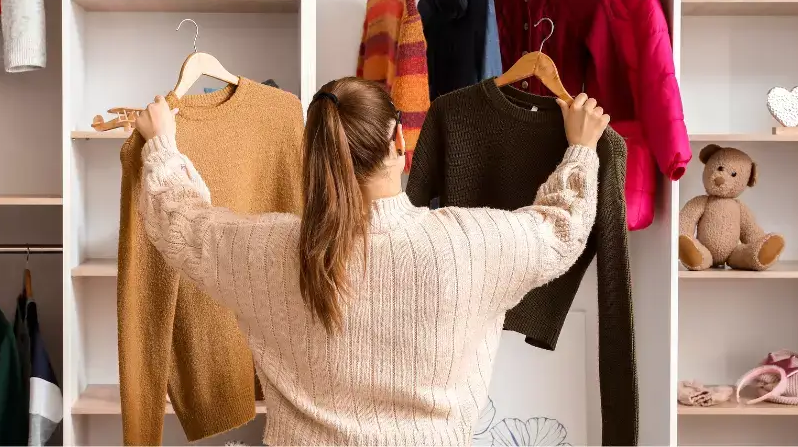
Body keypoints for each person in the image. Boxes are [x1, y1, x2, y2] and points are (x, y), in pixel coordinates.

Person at [133, 77, 608, 446]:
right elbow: (562, 229)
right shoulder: (471, 244)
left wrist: (161, 144)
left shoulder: (266, 251)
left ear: (314, 155)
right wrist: (581, 149)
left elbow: (178, 222)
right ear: (399, 141)